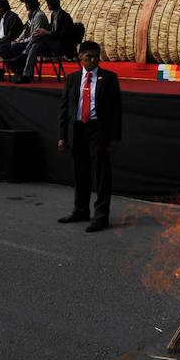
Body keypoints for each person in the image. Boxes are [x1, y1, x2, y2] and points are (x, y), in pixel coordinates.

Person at [57, 41, 122, 232]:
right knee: (80, 172)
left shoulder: (109, 78)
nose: (93, 60)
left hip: (98, 130)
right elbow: (64, 109)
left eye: (96, 56)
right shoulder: (73, 78)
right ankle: (80, 210)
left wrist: (115, 138)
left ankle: (101, 216)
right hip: (77, 130)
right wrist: (62, 136)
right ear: (81, 58)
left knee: (101, 174)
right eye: (89, 57)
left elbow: (117, 110)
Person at [14, 0, 75, 83]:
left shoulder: (64, 16)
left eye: (48, 4)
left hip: (62, 44)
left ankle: (23, 55)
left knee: (38, 36)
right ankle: (27, 75)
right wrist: (43, 31)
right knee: (35, 46)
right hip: (53, 42)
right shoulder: (53, 15)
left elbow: (65, 35)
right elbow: (52, 28)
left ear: (50, 5)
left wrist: (47, 32)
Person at [0, 0, 49, 79]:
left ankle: (20, 71)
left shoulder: (39, 16)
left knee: (16, 47)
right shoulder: (30, 15)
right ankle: (15, 70)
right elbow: (25, 30)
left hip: (37, 41)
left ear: (30, 4)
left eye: (26, 4)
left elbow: (35, 35)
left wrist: (22, 41)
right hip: (28, 40)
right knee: (3, 47)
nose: (25, 6)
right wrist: (18, 39)